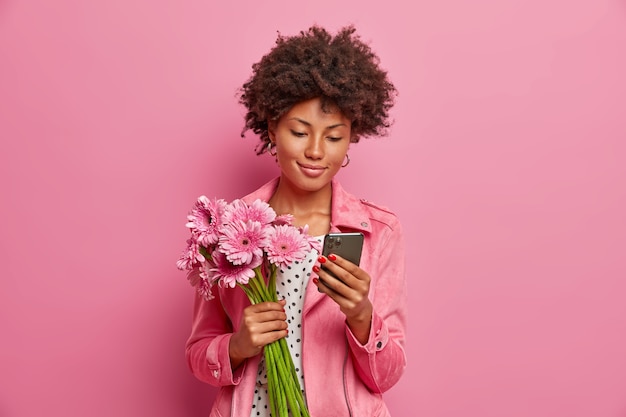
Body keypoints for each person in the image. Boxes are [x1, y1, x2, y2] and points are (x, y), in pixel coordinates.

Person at [185, 25, 407, 417]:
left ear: (352, 138)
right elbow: (198, 355)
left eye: (334, 137)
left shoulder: (378, 231)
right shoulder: (229, 228)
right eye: (300, 132)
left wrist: (361, 316)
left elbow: (385, 377)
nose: (316, 151)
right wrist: (236, 346)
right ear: (272, 129)